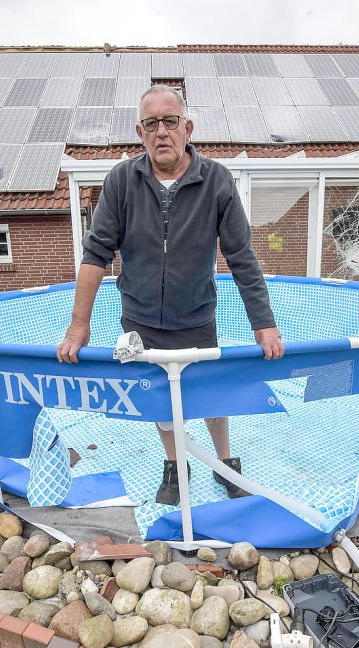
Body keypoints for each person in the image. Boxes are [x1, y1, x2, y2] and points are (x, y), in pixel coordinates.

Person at [57, 85, 284, 505]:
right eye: (151, 124)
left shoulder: (216, 180)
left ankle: (225, 460)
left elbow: (242, 256)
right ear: (140, 133)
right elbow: (95, 254)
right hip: (139, 321)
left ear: (187, 128)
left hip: (196, 317)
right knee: (159, 400)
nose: (161, 131)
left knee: (211, 396)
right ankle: (176, 465)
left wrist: (264, 323)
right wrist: (78, 324)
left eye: (170, 121)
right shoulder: (122, 181)